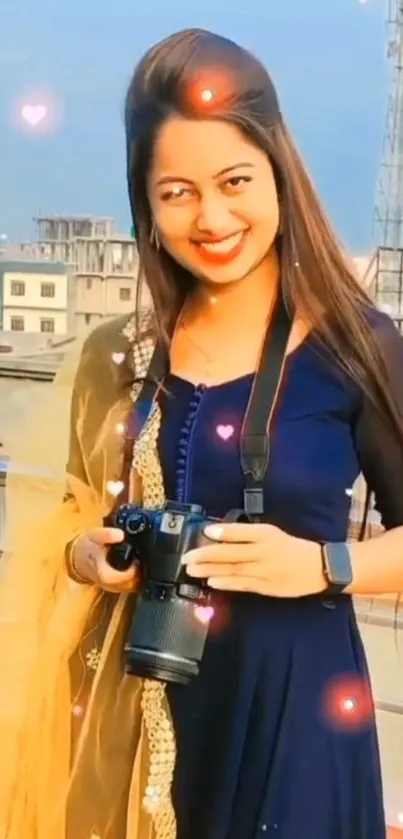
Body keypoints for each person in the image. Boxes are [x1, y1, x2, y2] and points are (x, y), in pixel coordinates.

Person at [2, 26, 403, 839]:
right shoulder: (117, 355)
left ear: (279, 175)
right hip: (128, 716)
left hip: (294, 720)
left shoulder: (356, 345)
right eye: (177, 191)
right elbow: (66, 519)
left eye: (234, 180)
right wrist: (89, 554)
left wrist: (324, 564)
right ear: (145, 205)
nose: (211, 216)